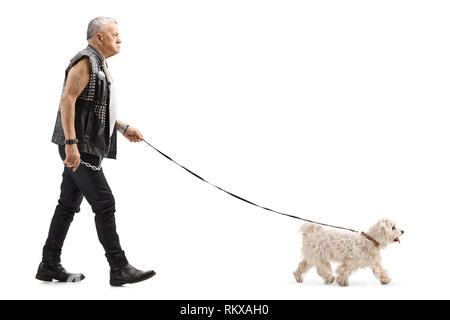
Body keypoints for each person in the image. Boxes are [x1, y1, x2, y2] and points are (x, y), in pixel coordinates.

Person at [36, 16, 155, 286]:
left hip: (84, 147)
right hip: (80, 149)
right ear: (99, 37)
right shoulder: (85, 61)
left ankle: (48, 264)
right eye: (115, 35)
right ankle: (119, 267)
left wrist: (122, 128)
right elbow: (67, 100)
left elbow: (92, 109)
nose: (120, 39)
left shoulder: (101, 64)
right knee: (105, 203)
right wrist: (70, 145)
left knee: (67, 205)